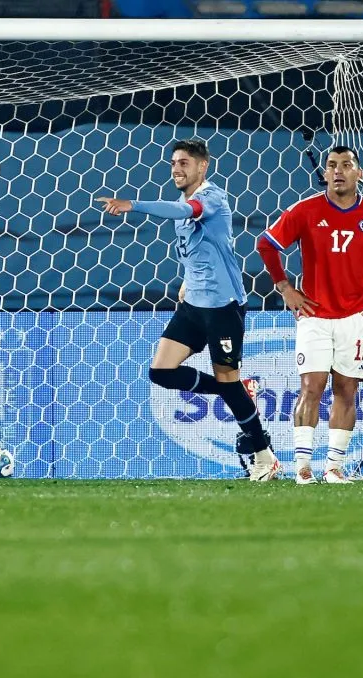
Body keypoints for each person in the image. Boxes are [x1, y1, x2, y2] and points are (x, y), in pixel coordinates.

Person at [97, 138, 279, 481]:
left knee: (227, 381)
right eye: (173, 163)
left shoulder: (211, 197)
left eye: (184, 163)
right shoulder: (185, 203)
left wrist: (132, 205)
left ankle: (264, 455)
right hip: (194, 305)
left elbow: (186, 211)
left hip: (224, 307)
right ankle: (240, 390)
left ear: (202, 166)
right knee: (161, 372)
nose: (177, 169)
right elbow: (196, 250)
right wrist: (186, 281)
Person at [257, 146, 363, 484]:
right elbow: (266, 244)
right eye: (331, 166)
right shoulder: (304, 211)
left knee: (346, 390)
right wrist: (285, 288)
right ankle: (302, 467)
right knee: (311, 387)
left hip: (356, 317)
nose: (338, 171)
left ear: (359, 174)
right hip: (313, 314)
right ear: (324, 173)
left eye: (346, 165)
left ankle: (334, 467)